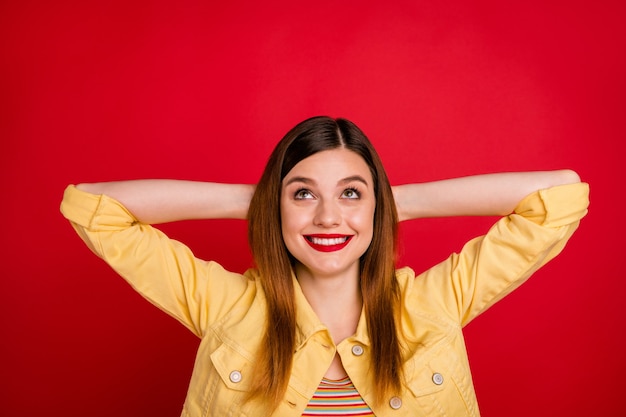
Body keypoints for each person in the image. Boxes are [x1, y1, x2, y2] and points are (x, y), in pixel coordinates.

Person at [60, 116, 589, 416]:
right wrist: (265, 197)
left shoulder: (434, 306)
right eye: (304, 194)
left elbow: (560, 195)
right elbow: (95, 209)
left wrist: (389, 201)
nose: (328, 216)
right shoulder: (224, 307)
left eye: (351, 194)